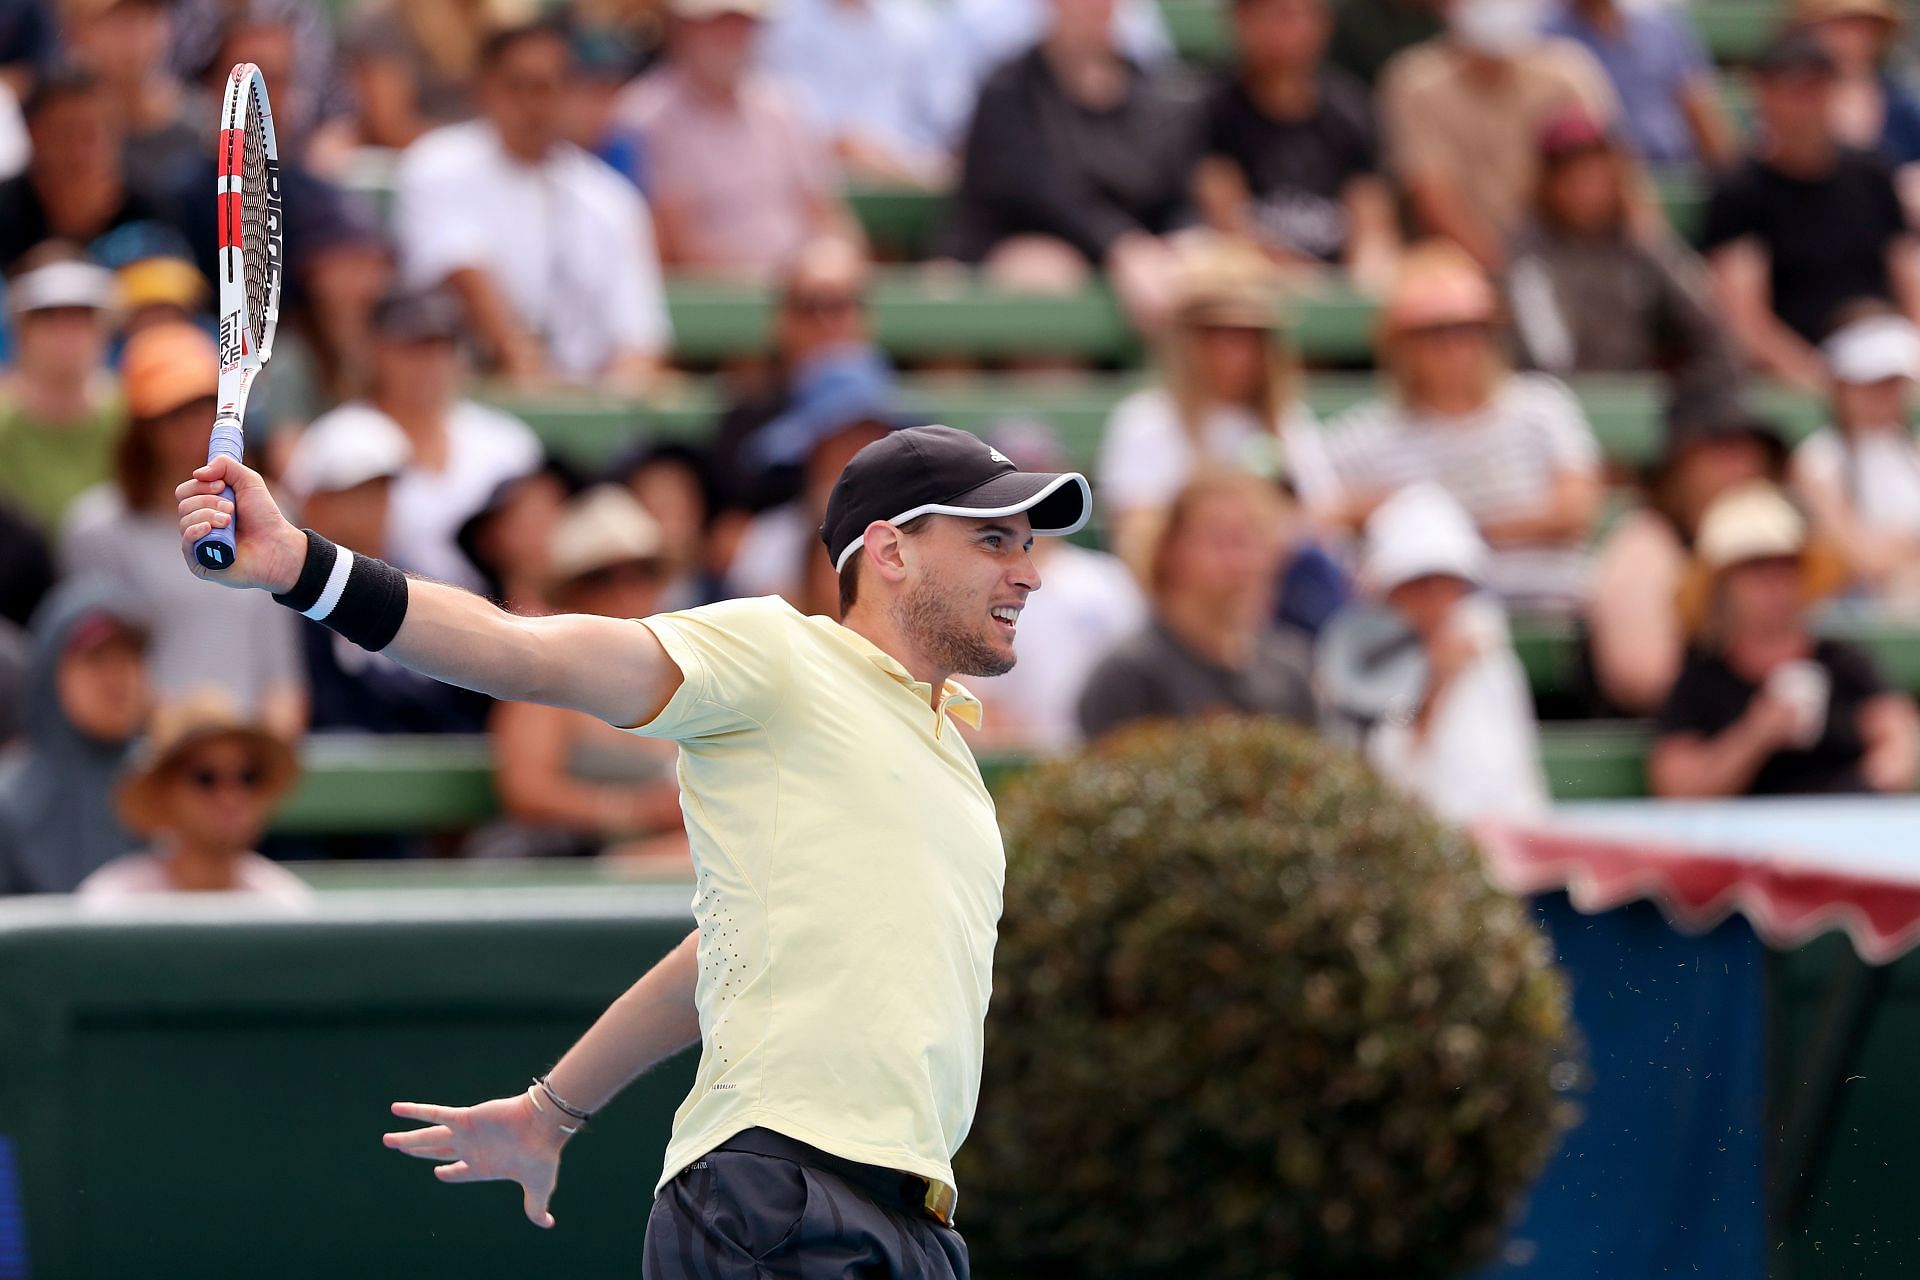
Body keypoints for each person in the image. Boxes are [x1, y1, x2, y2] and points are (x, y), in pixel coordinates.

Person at [175, 420, 1095, 1275]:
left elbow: (731, 947)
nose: (1029, 571)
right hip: (783, 1198)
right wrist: (301, 565)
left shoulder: (955, 763)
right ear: (890, 551)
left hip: (917, 1224)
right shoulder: (777, 653)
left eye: (1025, 544)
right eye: (992, 540)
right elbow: (521, 652)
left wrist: (549, 1110)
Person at [1314, 241, 1605, 611]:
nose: (1456, 347)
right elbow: (1316, 516)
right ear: (1401, 345)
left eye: (1470, 330)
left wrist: (1418, 515)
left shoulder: (1542, 407)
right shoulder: (1365, 434)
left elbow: (1574, 513)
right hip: (1426, 620)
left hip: (1551, 597)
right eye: (1436, 333)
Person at [392, 17, 669, 388]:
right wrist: (533, 384)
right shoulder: (437, 165)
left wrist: (607, 412)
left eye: (546, 88)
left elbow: (640, 338)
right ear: (484, 88)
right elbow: (469, 284)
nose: (531, 104)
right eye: (516, 86)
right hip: (470, 395)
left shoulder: (610, 198)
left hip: (585, 400)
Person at [61, 321, 306, 733]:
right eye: (173, 414)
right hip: (143, 758)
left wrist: (265, 757)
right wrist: (184, 738)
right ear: (141, 428)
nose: (192, 427)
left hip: (246, 765)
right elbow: (104, 666)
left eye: (203, 409)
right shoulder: (95, 529)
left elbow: (281, 667)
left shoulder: (272, 514)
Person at [939, 0, 1201, 331]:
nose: (1095, 8)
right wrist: (1119, 245)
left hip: (1138, 257)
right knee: (1046, 280)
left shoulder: (1149, 91)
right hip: (1017, 247)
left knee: (1204, 278)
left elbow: (1175, 191)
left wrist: (1175, 242)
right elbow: (1038, 192)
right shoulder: (1009, 91)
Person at [1650, 480, 1919, 797]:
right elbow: (1677, 787)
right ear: (1723, 586)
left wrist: (1869, 779)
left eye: (1787, 566)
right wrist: (1757, 734)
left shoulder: (1844, 663)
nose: (1775, 583)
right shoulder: (1700, 681)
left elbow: (1898, 739)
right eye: (1756, 569)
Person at [474, 487, 688, 869]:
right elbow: (526, 789)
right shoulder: (544, 679)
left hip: (669, 863)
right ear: (570, 592)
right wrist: (633, 812)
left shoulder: (682, 672)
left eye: (643, 573)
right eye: (603, 578)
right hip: (573, 866)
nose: (627, 591)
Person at [1097, 235, 1333, 579]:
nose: (1232, 351)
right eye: (1214, 332)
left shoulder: (1289, 421)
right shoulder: (1145, 421)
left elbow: (1320, 523)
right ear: (1185, 339)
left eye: (1248, 335)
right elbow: (1137, 540)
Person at [1699, 31, 1920, 392]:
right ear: (1763, 95)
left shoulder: (1873, 173)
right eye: (1793, 90)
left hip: (1888, 361)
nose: (1806, 105)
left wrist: (1908, 369)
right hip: (1801, 379)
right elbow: (1745, 321)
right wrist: (1827, 386)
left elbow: (1909, 275)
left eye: (1817, 88)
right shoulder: (1740, 191)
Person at [304, 288, 543, 594]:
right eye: (411, 347)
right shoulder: (338, 439)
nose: (428, 363)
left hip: (494, 620)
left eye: (440, 347)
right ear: (375, 350)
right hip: (374, 616)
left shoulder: (506, 440)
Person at [283, 400, 489, 736]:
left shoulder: (419, 584)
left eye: (380, 492)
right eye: (354, 494)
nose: (374, 509)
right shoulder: (285, 597)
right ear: (313, 503)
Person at [611, 0, 855, 279]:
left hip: (804, 296)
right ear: (681, 29)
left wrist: (835, 262)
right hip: (713, 306)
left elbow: (826, 212)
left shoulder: (784, 107)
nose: (730, 36)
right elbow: (672, 244)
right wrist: (777, 282)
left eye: (742, 24)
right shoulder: (642, 117)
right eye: (716, 22)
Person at [1504, 108, 1738, 395]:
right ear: (1547, 182)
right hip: (1559, 400)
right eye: (1570, 173)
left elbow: (1707, 326)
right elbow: (1546, 355)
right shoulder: (1529, 250)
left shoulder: (1640, 241)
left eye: (1594, 170)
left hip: (1640, 395)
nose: (1585, 186)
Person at [1377, 0, 1621, 270]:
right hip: (1464, 266)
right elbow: (1432, 198)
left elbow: (1614, 172)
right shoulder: (1415, 82)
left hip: (1563, 257)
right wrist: (1510, 274)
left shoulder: (1566, 72)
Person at [1588, 391, 1788, 716]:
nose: (1741, 468)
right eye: (1721, 452)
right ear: (1679, 467)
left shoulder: (1782, 543)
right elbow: (1640, 676)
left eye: (1749, 452)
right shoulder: (1645, 543)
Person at [1077, 469, 1315, 740]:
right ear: (1169, 551)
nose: (1242, 560)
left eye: (1254, 540)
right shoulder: (1128, 677)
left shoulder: (1291, 672)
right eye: (1222, 541)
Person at [1360, 483, 1548, 823]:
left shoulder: (1490, 656)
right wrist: (1435, 687)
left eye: (1445, 580)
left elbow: (1517, 780)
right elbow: (1388, 780)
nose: (1435, 596)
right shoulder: (1361, 665)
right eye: (1418, 582)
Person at [962, 421, 1147, 753]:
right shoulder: (966, 584)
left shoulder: (1109, 580)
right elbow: (965, 699)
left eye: (1039, 476)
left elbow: (1139, 686)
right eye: (1015, 479)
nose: (1029, 497)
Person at [1193, 0, 1398, 289]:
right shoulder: (1211, 108)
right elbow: (1229, 228)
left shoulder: (1351, 108)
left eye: (1309, 15)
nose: (1298, 29)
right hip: (1252, 288)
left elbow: (1372, 224)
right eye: (1281, 14)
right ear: (1241, 20)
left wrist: (1364, 286)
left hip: (1335, 278)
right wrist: (1308, 281)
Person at [708, 236, 887, 516]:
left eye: (839, 305)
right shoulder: (744, 429)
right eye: (810, 306)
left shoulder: (910, 425)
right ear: (781, 321)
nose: (825, 322)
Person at [77, 691, 311, 903]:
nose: (230, 796)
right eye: (205, 778)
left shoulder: (287, 905)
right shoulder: (113, 904)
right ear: (165, 791)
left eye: (248, 777)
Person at [0, 579, 148, 895]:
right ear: (50, 671)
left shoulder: (180, 784)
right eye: (97, 658)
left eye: (131, 657)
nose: (119, 675)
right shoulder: (9, 804)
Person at [1789, 307, 1920, 603]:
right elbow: (1858, 557)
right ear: (1842, 385)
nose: (1886, 395)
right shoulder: (1818, 459)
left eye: (1893, 383)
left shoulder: (1915, 447)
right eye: (1873, 384)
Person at [759, 0, 954, 186]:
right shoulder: (779, 22)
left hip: (907, 186)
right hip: (807, 183)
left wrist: (888, 161)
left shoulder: (917, 25)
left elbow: (939, 130)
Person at [0, 249, 125, 536]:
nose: (67, 334)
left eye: (82, 318)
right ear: (21, 332)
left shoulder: (134, 414)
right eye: (48, 318)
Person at [0, 65, 173, 271]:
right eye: (65, 134)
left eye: (91, 135)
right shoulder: (5, 209)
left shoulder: (149, 211)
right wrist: (69, 229)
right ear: (33, 133)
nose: (79, 153)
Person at [1542, 0, 1735, 173]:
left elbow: (1702, 113)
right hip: (1600, 183)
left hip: (1677, 168)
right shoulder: (1548, 39)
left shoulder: (1663, 27)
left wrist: (1728, 176)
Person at [58, 0, 202, 199]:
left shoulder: (201, 125)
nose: (136, 36)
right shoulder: (53, 132)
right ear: (76, 32)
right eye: (118, 22)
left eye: (148, 17)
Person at [1790, 0, 1920, 182]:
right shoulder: (1792, 98)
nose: (1853, 38)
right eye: (1842, 27)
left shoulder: (1901, 102)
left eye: (1864, 28)